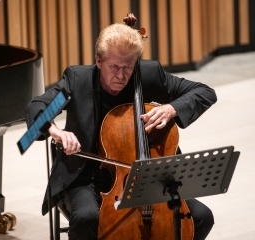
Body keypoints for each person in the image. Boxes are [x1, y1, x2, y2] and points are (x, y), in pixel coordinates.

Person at [25, 23, 217, 240]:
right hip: (87, 176)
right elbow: (37, 108)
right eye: (114, 67)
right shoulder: (78, 82)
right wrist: (55, 131)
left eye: (128, 66)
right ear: (99, 61)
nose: (121, 75)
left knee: (202, 217)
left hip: (149, 176)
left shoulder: (148, 75)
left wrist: (172, 108)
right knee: (87, 218)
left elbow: (204, 92)